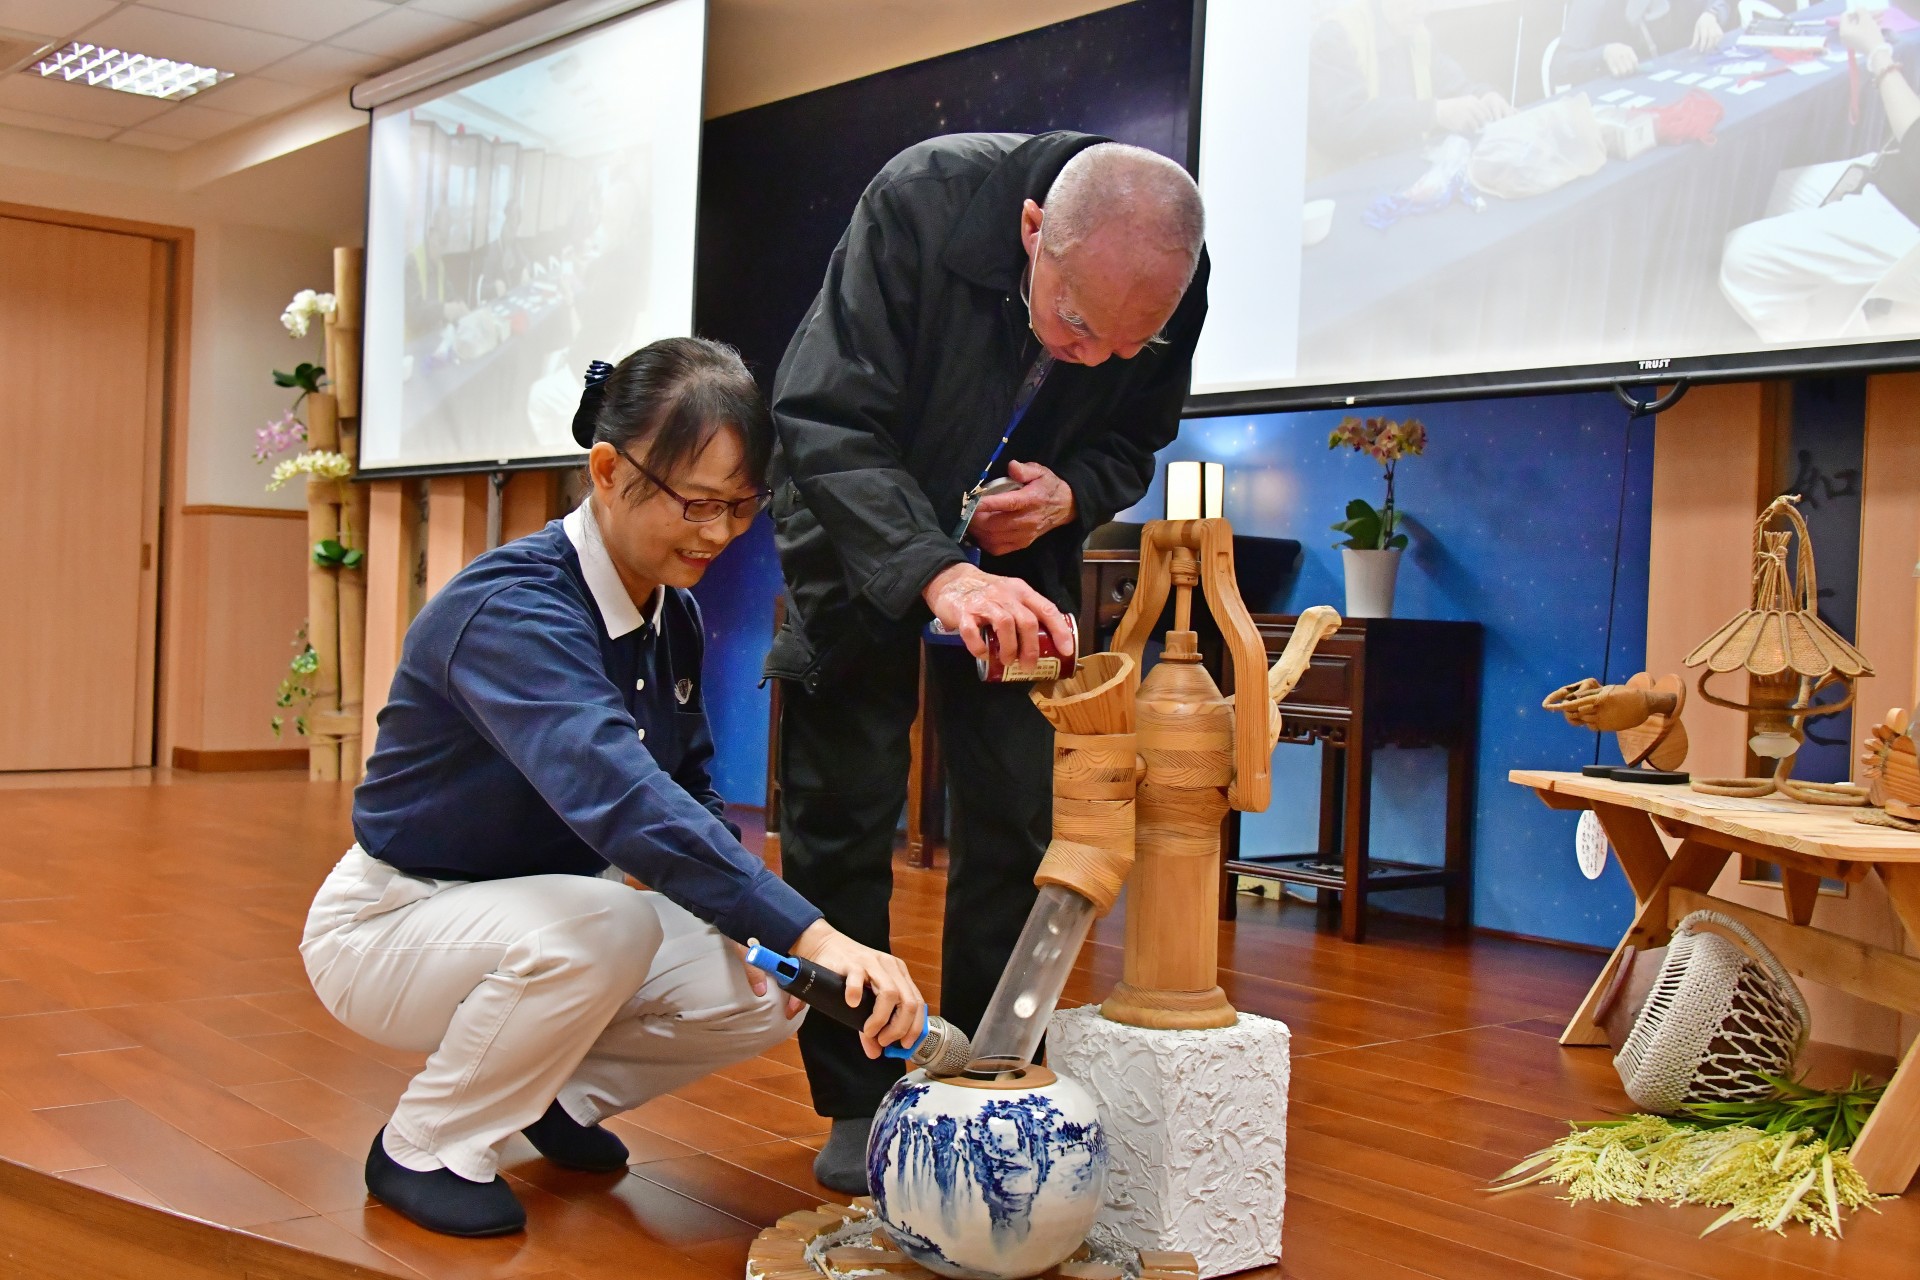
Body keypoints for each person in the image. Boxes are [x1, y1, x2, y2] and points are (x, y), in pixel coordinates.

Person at [302, 338, 925, 1238]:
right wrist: (816, 929)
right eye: (697, 503)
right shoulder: (512, 609)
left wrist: (780, 939)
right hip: (394, 920)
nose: (718, 533)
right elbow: (623, 796)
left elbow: (690, 790)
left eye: (742, 507)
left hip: (541, 912)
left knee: (765, 986)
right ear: (607, 469)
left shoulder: (672, 610)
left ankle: (555, 1098)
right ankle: (425, 1144)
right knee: (616, 924)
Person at [764, 132, 1208, 1194]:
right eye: (1078, 326)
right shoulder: (920, 199)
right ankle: (860, 1092)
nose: (1094, 359)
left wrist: (1074, 493)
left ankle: (988, 1071)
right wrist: (936, 570)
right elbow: (820, 413)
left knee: (1016, 812)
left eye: (1126, 343)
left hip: (1023, 555)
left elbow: (1134, 437)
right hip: (860, 527)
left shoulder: (1162, 275)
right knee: (844, 807)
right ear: (1030, 234)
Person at [1720, 12, 1920, 343]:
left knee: (1743, 259)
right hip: (1894, 174)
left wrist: (1876, 51)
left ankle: (1817, 358)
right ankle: (1842, 330)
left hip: (1908, 218)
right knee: (1768, 193)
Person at [1308, 0, 1513, 166]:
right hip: (1344, 191)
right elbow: (1340, 125)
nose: (1423, 10)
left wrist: (1486, 96)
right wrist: (1432, 113)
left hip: (1406, 177)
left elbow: (1456, 85)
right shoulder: (1337, 36)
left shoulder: (1418, 36)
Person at [1549, 0, 1729, 88]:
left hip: (1679, 90)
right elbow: (1559, 66)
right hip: (1622, 103)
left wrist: (1711, 14)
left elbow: (1720, 3)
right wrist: (1604, 53)